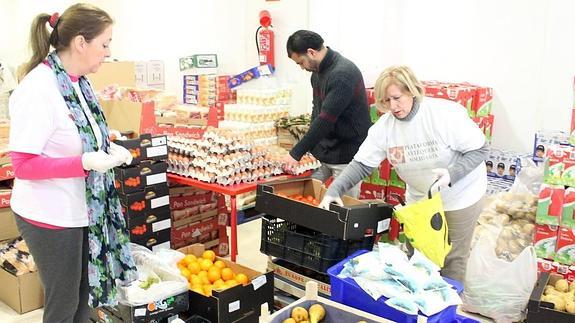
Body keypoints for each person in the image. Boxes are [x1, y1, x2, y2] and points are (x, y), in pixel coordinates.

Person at [9, 4, 136, 322]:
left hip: (82, 209)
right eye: (105, 43)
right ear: (81, 42)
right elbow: (23, 165)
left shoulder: (78, 83)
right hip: (49, 215)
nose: (108, 52)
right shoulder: (38, 89)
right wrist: (84, 162)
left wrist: (109, 145)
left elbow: (77, 134)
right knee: (63, 302)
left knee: (85, 296)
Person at [319, 66, 488, 284]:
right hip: (421, 199)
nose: (393, 107)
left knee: (452, 258)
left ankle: (447, 309)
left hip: (460, 195)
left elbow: (481, 149)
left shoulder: (443, 115)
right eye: (386, 101)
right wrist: (335, 189)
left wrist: (452, 174)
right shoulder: (385, 128)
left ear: (412, 91)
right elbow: (361, 164)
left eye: (397, 98)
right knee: (418, 254)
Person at [282, 30, 372, 197]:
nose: (302, 68)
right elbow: (317, 112)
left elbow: (325, 120)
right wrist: (310, 151)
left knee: (342, 210)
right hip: (325, 151)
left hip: (348, 154)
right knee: (307, 197)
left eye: (301, 62)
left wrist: (296, 153)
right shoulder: (317, 74)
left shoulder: (343, 74)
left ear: (311, 52)